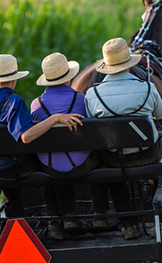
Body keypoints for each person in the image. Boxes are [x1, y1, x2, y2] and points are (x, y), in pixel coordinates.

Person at [0, 54, 83, 219]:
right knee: (45, 161)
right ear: (14, 79)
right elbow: (26, 137)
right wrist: (55, 118)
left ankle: (16, 218)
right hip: (19, 167)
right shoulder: (14, 102)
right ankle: (56, 217)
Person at [85, 38, 162, 240]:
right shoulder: (147, 87)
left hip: (114, 156)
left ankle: (129, 224)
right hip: (147, 155)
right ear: (130, 63)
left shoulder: (93, 94)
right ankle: (157, 209)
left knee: (113, 167)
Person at [30, 52, 109, 240]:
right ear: (69, 77)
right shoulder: (82, 100)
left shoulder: (36, 105)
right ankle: (100, 215)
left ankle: (58, 222)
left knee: (51, 162)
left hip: (51, 167)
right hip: (82, 164)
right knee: (101, 156)